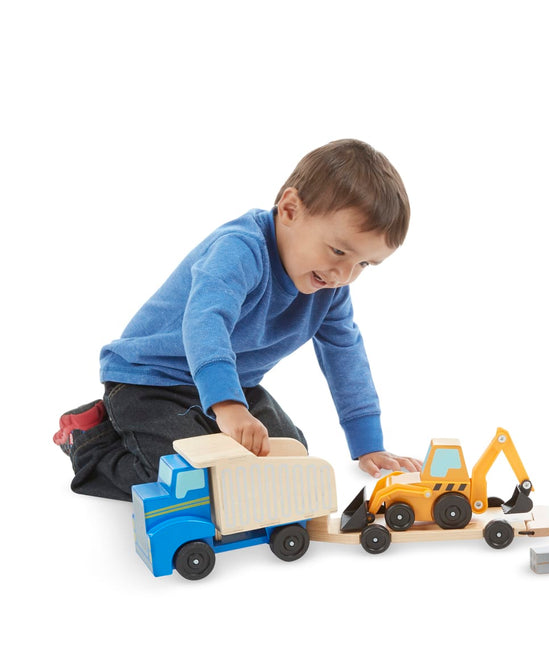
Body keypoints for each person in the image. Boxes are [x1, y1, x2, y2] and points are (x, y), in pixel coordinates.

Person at [54, 139, 421, 501]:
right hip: (152, 381)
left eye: (363, 264)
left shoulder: (330, 287)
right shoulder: (239, 249)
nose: (343, 273)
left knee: (290, 459)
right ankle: (92, 441)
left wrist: (369, 444)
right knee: (184, 480)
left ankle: (196, 421)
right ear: (290, 209)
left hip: (233, 386)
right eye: (338, 250)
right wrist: (228, 406)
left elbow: (346, 356)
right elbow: (205, 322)